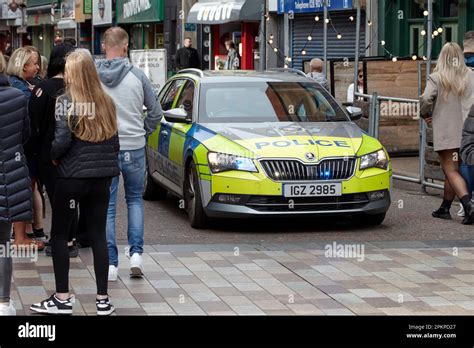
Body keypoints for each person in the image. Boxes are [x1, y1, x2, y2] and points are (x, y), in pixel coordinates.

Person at [30, 49, 119, 315]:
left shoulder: (65, 101)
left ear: (73, 72)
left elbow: (61, 142)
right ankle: (103, 300)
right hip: (102, 177)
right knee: (98, 235)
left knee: (59, 235)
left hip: (72, 178)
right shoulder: (107, 101)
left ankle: (62, 298)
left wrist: (55, 158)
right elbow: (114, 142)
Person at [96, 27, 163, 281]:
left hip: (106, 147)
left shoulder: (95, 78)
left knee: (108, 206)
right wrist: (143, 131)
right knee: (135, 200)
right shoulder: (138, 76)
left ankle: (111, 265)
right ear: (126, 47)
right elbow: (156, 112)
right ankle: (136, 255)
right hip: (134, 146)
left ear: (104, 47)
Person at [29, 43, 80, 257]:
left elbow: (33, 125)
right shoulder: (80, 87)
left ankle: (61, 240)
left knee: (56, 196)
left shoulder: (45, 88)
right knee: (70, 197)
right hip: (76, 153)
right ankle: (71, 238)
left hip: (49, 154)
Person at [420, 42, 474, 225]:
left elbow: (426, 98)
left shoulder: (436, 78)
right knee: (453, 170)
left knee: (451, 170)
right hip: (468, 131)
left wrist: (425, 114)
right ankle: (444, 207)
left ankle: (468, 204)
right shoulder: (471, 76)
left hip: (448, 131)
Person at [0, 53, 33, 315]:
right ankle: (4, 302)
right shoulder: (18, 97)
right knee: (3, 244)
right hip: (9, 175)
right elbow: (26, 134)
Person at [6, 47, 45, 250]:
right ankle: (21, 235)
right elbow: (27, 126)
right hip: (21, 150)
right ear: (23, 65)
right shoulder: (20, 90)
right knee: (21, 189)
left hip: (21, 149)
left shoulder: (28, 85)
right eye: (34, 63)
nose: (37, 66)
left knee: (26, 188)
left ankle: (27, 232)